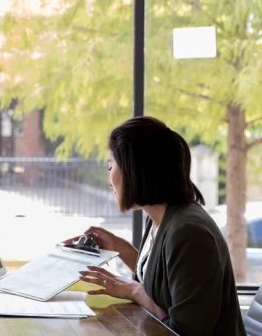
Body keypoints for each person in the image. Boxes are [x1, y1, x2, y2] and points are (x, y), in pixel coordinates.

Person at [64, 117, 244, 335]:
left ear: (135, 170)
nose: (109, 180)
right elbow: (159, 285)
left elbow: (183, 332)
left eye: (111, 166)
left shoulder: (189, 233)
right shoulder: (161, 217)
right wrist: (119, 247)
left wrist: (135, 291)